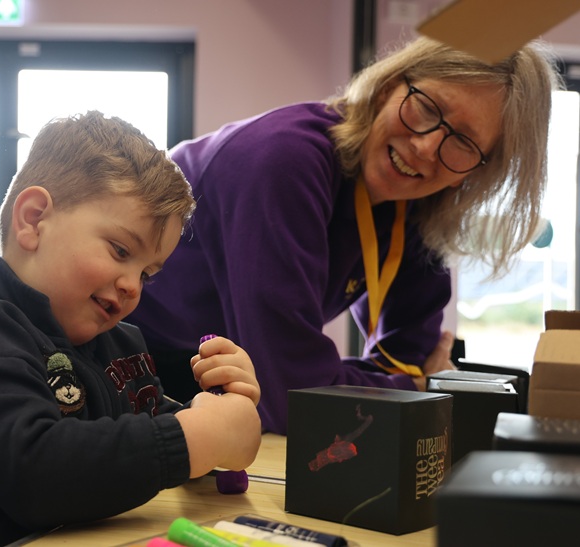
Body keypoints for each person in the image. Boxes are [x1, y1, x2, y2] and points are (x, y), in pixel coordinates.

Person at [127, 36, 563, 435]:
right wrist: (412, 387)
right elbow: (293, 398)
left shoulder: (415, 203)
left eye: (464, 142)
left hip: (208, 384)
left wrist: (390, 380)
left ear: (479, 172)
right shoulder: (283, 161)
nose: (426, 146)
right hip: (126, 373)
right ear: (389, 86)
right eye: (427, 108)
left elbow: (411, 355)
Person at [0, 111, 262, 546]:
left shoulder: (121, 344)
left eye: (147, 274)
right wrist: (192, 438)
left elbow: (141, 445)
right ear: (33, 220)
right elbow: (36, 474)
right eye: (120, 251)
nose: (133, 286)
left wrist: (220, 416)